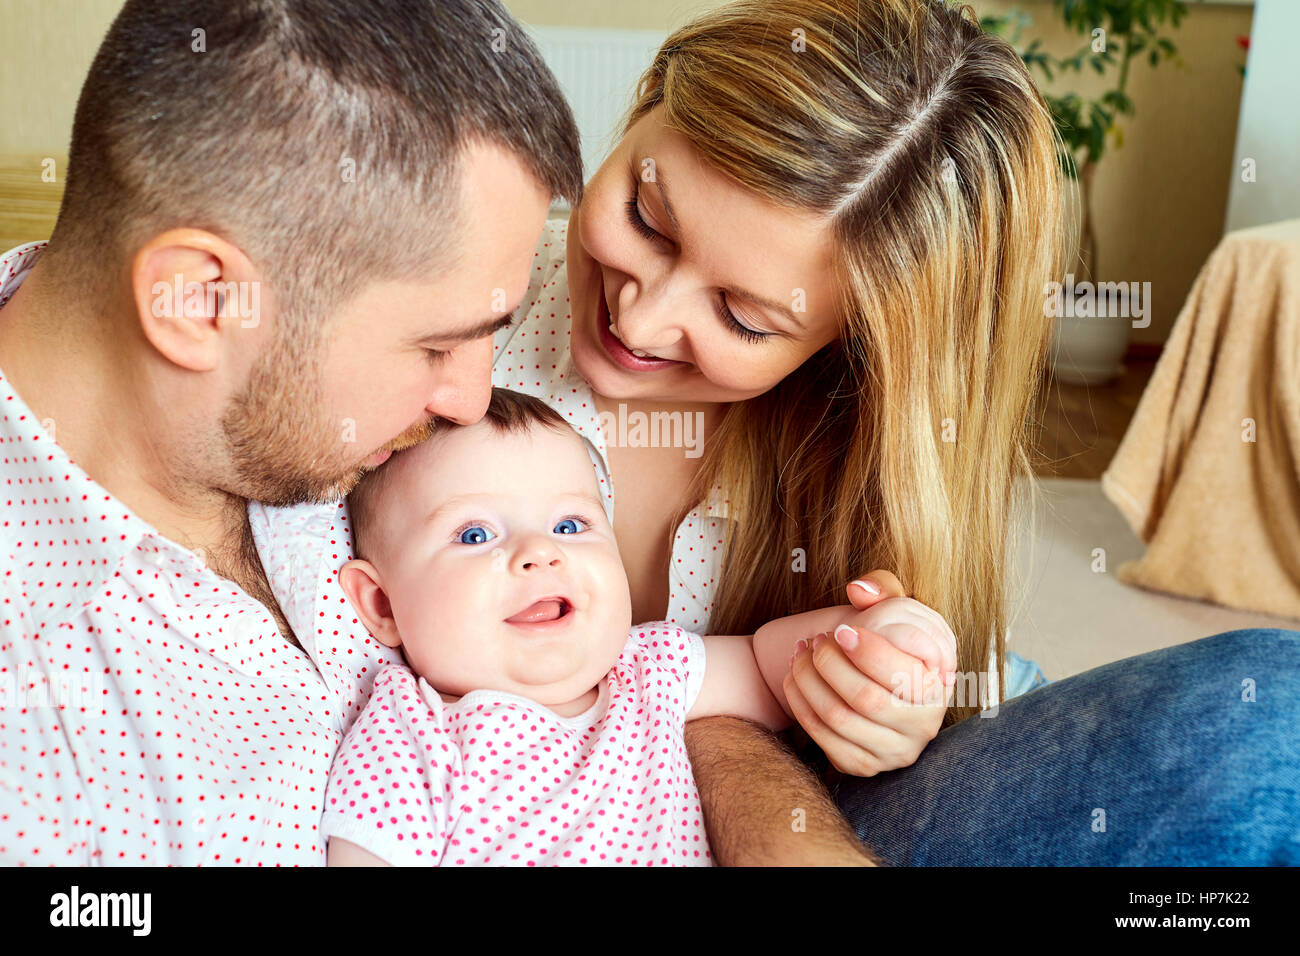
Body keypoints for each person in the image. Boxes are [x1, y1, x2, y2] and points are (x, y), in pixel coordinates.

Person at [487, 0, 1300, 865]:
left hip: (795, 788)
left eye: (744, 318)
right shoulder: (463, 301)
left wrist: (892, 686)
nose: (641, 320)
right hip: (598, 808)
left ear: (851, 348)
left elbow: (930, 684)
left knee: (1270, 712)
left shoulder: (849, 445)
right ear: (649, 98)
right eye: (648, 219)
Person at [0, 0, 580, 865]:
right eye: (436, 344)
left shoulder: (337, 424)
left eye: (493, 328)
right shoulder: (42, 738)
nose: (472, 398)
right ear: (199, 301)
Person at [319, 388, 952, 866]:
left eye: (570, 525)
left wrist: (877, 636)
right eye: (475, 534)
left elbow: (776, 663)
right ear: (381, 605)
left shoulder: (651, 670)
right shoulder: (410, 727)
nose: (542, 554)